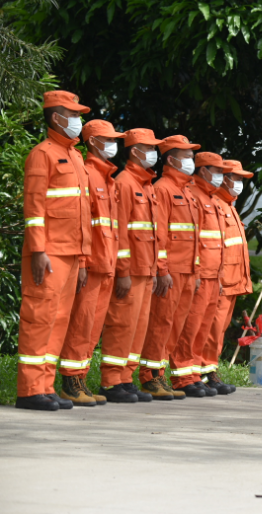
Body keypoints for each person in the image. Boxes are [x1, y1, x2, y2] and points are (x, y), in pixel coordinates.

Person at [16, 91, 93, 411]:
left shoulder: (75, 157)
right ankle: (29, 390)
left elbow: (83, 214)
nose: (77, 121)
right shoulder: (42, 154)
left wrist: (84, 257)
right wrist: (37, 250)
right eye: (72, 115)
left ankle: (45, 386)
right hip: (48, 253)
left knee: (59, 320)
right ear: (56, 117)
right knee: (39, 318)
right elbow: (34, 208)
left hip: (72, 254)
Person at [58, 120, 126, 406]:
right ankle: (71, 382)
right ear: (93, 142)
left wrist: (116, 266)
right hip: (93, 263)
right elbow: (83, 224)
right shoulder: (87, 174)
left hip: (106, 265)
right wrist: (83, 262)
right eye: (108, 139)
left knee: (92, 328)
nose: (114, 144)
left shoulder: (108, 179)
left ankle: (81, 380)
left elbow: (114, 229)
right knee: (80, 325)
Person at [138, 135, 201, 399]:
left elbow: (194, 238)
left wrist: (196, 271)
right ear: (172, 159)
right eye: (186, 156)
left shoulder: (187, 191)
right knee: (161, 324)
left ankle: (161, 373)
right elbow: (160, 233)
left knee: (175, 326)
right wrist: (161, 269)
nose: (191, 160)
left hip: (187, 272)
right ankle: (150, 376)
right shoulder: (162, 188)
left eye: (192, 155)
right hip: (172, 272)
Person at [102, 128, 162, 401]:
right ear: (135, 151)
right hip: (132, 270)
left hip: (146, 269)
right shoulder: (125, 183)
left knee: (137, 328)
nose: (154, 153)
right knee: (122, 325)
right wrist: (123, 271)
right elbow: (120, 232)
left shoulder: (146, 186)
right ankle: (112, 380)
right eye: (150, 148)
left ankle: (126, 377)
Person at [168, 152, 230, 397]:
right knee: (190, 327)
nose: (221, 177)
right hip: (200, 274)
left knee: (202, 329)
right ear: (202, 171)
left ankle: (194, 375)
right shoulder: (194, 195)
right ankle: (182, 377)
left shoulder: (212, 199)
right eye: (216, 171)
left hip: (213, 275)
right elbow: (193, 241)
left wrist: (220, 275)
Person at [198, 160, 253, 393]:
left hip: (231, 281)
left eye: (241, 179)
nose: (239, 183)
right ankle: (203, 372)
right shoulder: (217, 205)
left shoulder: (229, 205)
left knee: (218, 330)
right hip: (220, 281)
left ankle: (210, 371)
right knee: (209, 329)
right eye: (236, 178)